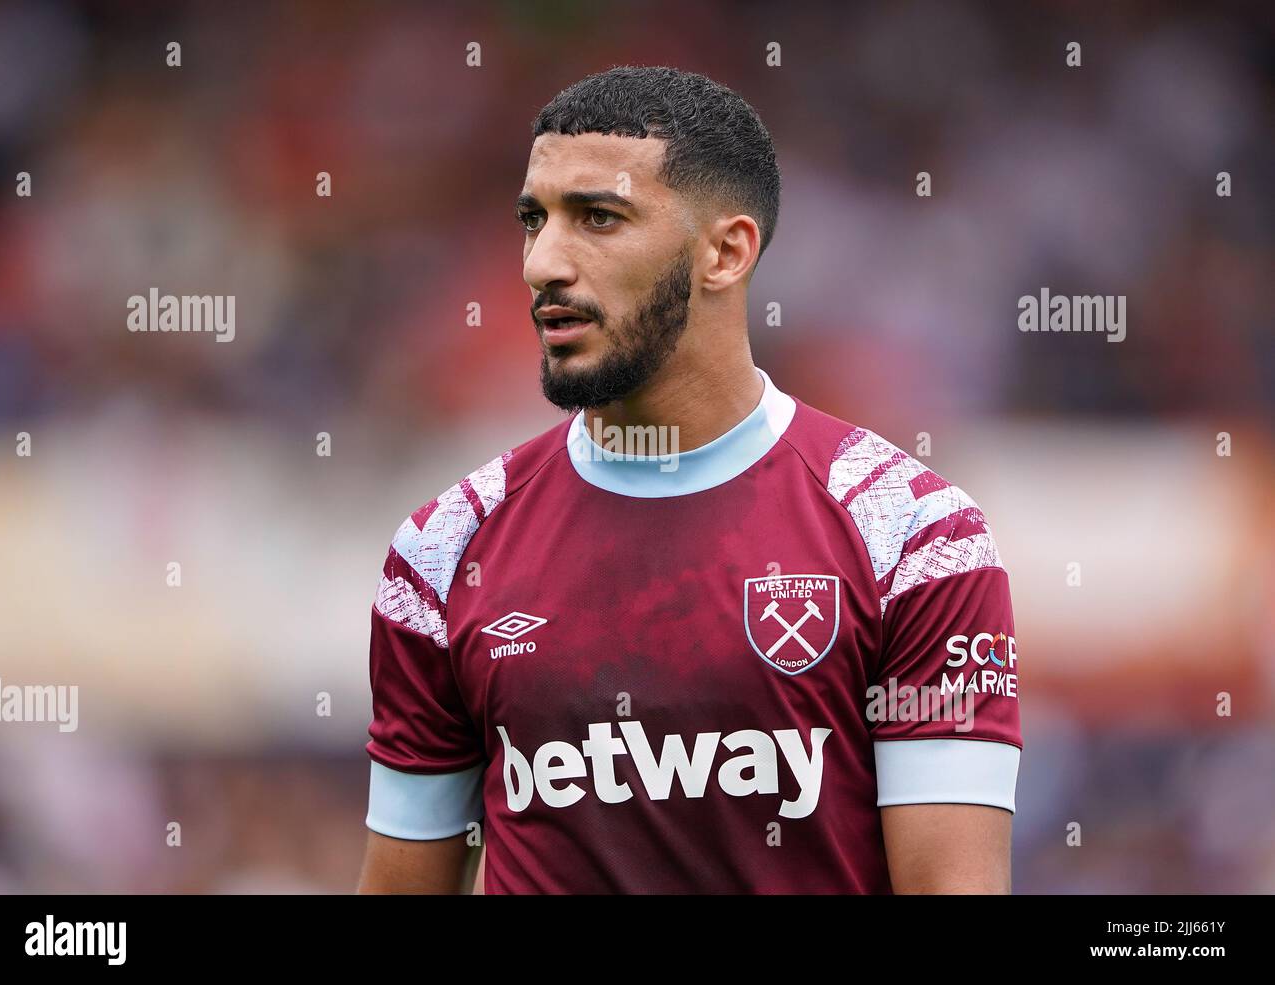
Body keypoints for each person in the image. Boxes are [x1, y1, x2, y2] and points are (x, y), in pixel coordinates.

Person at [357, 66, 1020, 894]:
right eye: (534, 219)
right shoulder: (442, 551)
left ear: (725, 251)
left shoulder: (915, 538)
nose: (541, 264)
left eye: (597, 217)